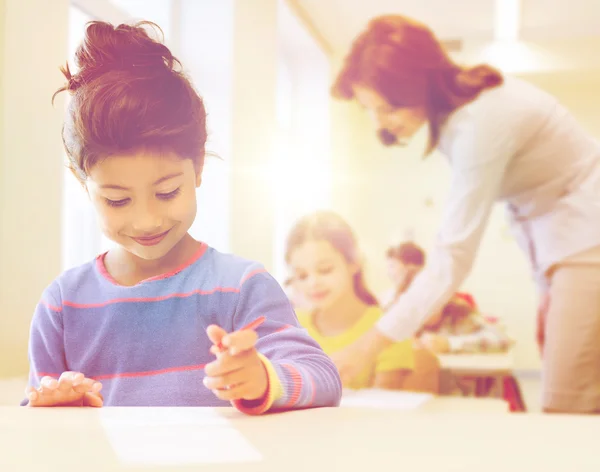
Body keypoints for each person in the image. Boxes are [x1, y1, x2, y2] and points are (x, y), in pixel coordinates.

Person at [23, 21, 342, 414]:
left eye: (167, 192)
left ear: (198, 168)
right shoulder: (63, 305)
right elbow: (36, 414)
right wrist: (57, 407)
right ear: (82, 183)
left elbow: (322, 376)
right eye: (118, 200)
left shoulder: (240, 287)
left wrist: (262, 378)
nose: (146, 221)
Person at [329, 15, 600, 414]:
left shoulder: (481, 124)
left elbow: (452, 257)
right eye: (370, 110)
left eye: (385, 108)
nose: (379, 123)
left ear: (418, 86)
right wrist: (546, 284)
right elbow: (533, 207)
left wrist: (367, 347)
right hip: (566, 243)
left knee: (567, 402)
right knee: (569, 388)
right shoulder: (460, 120)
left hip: (586, 234)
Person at [285, 211, 439, 393]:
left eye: (325, 270)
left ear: (354, 262)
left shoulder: (390, 330)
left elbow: (381, 413)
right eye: (302, 275)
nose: (313, 283)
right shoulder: (290, 327)